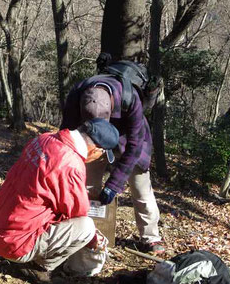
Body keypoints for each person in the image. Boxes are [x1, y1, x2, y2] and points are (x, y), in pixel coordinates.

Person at [0, 118, 119, 284]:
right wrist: (93, 239)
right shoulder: (71, 164)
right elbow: (77, 213)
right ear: (96, 150)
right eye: (101, 154)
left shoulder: (44, 139)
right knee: (86, 227)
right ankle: (39, 267)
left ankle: (29, 255)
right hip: (16, 244)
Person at [61, 60, 164, 254]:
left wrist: (114, 185)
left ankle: (151, 237)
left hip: (129, 139)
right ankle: (89, 232)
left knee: (141, 188)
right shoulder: (77, 94)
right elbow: (65, 132)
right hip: (90, 140)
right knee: (87, 186)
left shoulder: (130, 98)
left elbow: (135, 147)